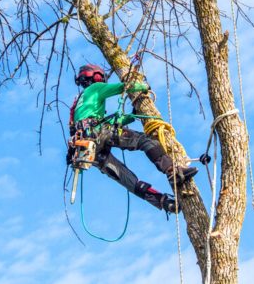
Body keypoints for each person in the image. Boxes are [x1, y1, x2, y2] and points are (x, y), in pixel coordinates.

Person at [66, 64, 198, 215]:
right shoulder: (95, 89)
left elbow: (108, 123)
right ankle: (172, 172)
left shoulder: (79, 103)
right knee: (144, 141)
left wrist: (131, 116)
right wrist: (143, 86)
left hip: (89, 149)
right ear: (96, 76)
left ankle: (164, 202)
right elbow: (123, 87)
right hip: (99, 133)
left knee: (127, 179)